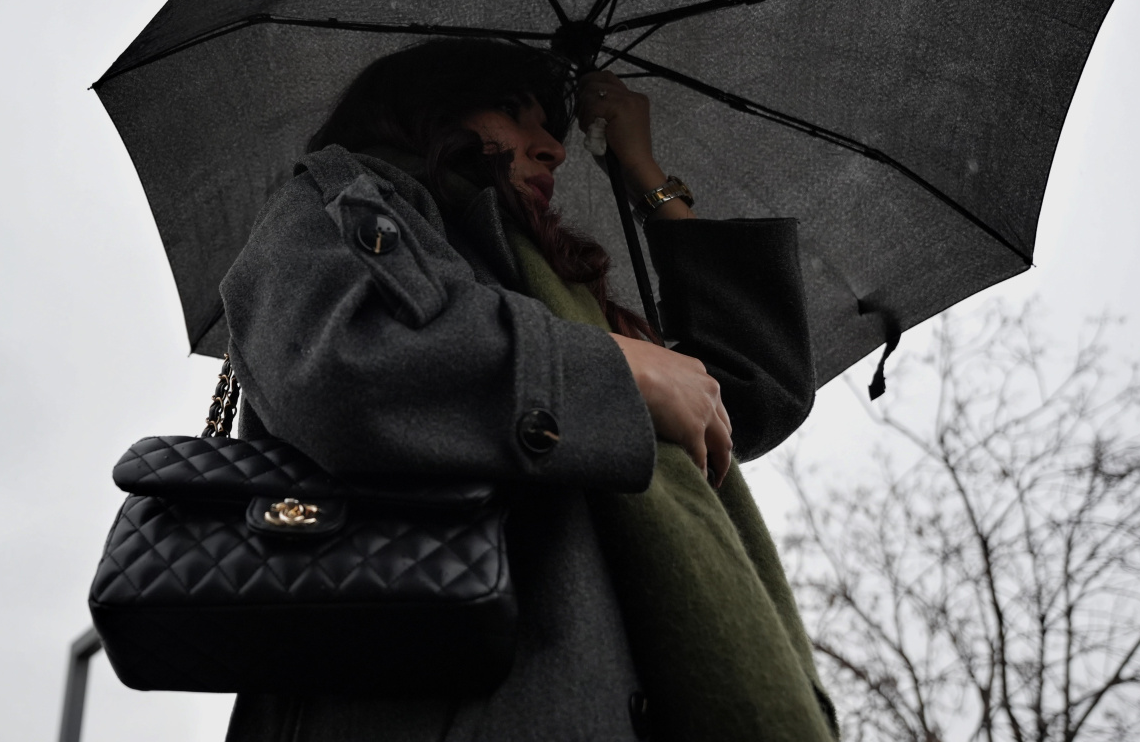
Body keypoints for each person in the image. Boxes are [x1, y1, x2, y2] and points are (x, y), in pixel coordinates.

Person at [219, 39, 837, 742]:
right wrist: (614, 368)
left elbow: (744, 399)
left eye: (555, 128)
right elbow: (343, 371)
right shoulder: (334, 200)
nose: (555, 149)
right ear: (431, 110)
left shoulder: (554, 288)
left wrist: (645, 174)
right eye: (518, 116)